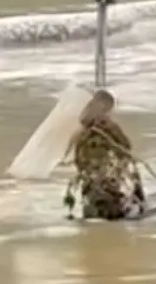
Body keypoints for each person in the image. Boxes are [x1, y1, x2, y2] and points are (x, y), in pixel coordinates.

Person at [63, 89, 146, 221]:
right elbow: (125, 147)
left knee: (95, 211)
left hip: (92, 181)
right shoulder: (102, 128)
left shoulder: (83, 131)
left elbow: (77, 158)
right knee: (110, 212)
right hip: (105, 180)